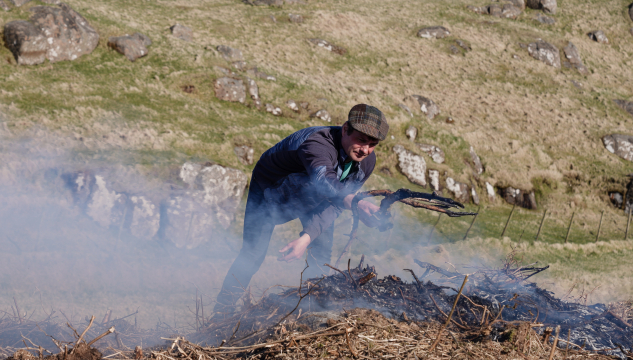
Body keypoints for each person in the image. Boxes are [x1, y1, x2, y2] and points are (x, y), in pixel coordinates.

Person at [213, 104, 389, 316]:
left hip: (314, 197)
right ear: (345, 129)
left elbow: (334, 202)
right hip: (270, 191)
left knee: (322, 254)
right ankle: (222, 311)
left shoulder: (366, 162)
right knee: (253, 253)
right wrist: (356, 203)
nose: (365, 150)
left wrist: (306, 237)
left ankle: (313, 313)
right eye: (361, 140)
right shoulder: (316, 143)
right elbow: (324, 181)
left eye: (372, 144)